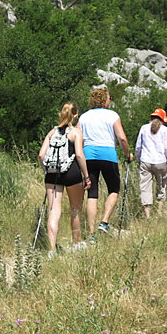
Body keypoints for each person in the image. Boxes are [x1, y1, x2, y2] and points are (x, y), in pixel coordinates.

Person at [38, 101, 90, 253]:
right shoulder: (76, 133)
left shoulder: (51, 133)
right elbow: (79, 155)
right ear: (75, 115)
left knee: (54, 211)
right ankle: (76, 243)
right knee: (75, 209)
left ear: (60, 114)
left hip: (52, 174)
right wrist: (86, 176)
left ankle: (51, 250)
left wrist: (47, 170)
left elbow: (41, 155)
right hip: (71, 172)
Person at [79, 85, 130, 235]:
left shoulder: (84, 117)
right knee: (114, 189)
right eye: (109, 98)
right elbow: (122, 138)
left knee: (92, 193)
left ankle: (91, 232)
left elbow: (77, 136)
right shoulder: (112, 115)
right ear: (105, 100)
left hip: (89, 155)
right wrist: (128, 154)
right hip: (108, 154)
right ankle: (104, 222)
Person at [135, 108, 167, 219]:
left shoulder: (144, 128)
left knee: (145, 187)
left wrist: (138, 159)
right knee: (161, 186)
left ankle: (148, 215)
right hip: (160, 161)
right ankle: (159, 212)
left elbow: (138, 146)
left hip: (146, 160)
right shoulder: (165, 130)